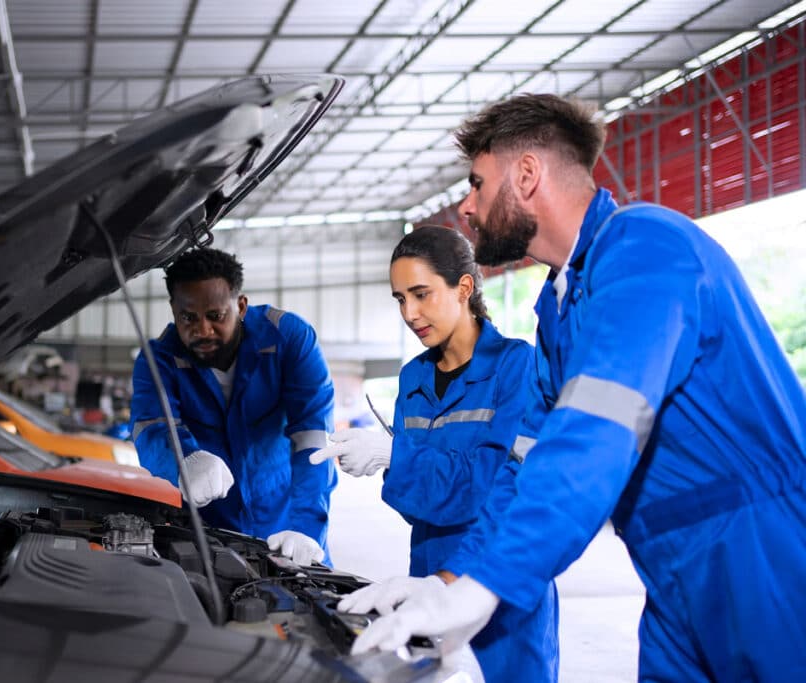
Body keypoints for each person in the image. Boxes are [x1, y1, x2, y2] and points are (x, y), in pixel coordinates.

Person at [342, 93, 806, 681]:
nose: (467, 205)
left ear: (528, 174)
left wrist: (488, 585)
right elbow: (525, 466)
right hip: (666, 567)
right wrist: (449, 583)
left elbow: (594, 433)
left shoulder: (647, 248)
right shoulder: (558, 311)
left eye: (478, 184)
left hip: (761, 552)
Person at [310, 225, 558, 682]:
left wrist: (398, 458)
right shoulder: (413, 378)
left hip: (501, 567)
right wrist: (387, 463)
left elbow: (492, 486)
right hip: (427, 566)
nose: (410, 312)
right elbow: (413, 505)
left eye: (421, 294)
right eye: (400, 298)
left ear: (464, 287)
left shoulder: (516, 366)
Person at [130, 247, 337, 565]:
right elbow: (152, 427)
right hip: (208, 531)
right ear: (173, 309)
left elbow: (312, 437)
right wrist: (184, 461)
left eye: (215, 316)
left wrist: (307, 527)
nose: (202, 330)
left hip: (287, 520)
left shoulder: (289, 339)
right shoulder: (158, 359)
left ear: (240, 306)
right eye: (188, 317)